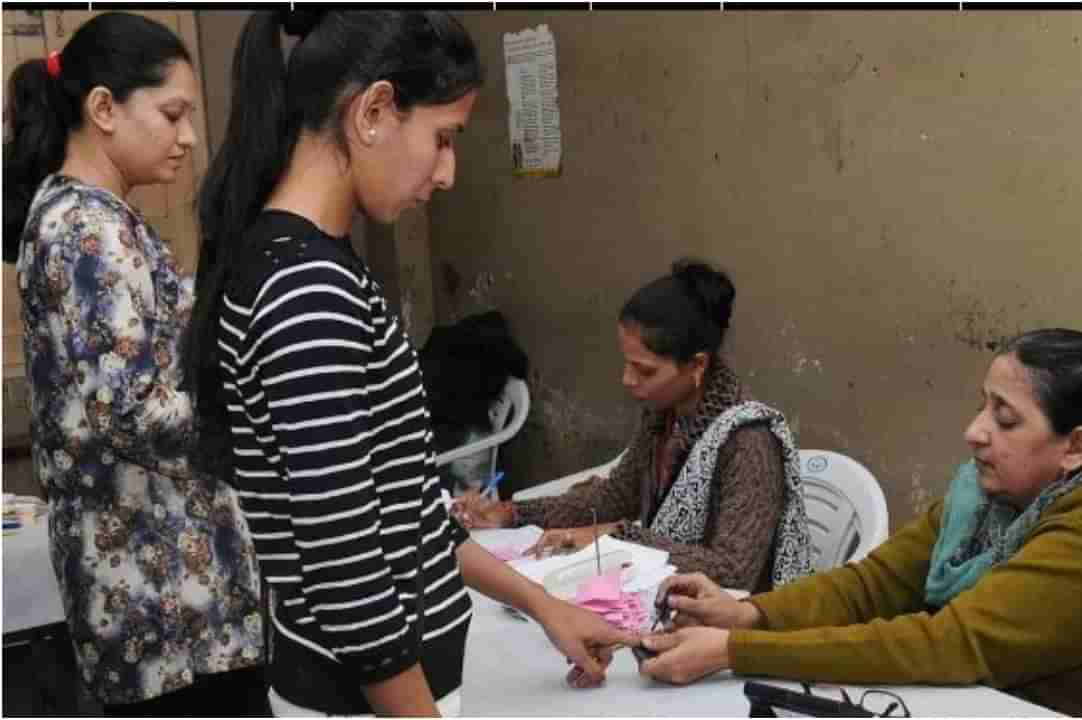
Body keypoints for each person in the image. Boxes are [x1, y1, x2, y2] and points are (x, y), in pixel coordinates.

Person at [183, 11, 631, 716]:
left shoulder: (309, 268)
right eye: (443, 139)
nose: (447, 173)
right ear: (374, 111)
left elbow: (407, 511)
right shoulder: (308, 291)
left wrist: (543, 604)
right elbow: (347, 567)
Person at [636, 329, 1082, 718]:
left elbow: (952, 645)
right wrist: (748, 614)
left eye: (1005, 419)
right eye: (983, 404)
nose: (975, 431)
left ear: (1077, 447)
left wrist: (735, 652)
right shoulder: (983, 498)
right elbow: (874, 584)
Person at [3, 12, 267, 716]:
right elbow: (134, 414)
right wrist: (256, 406)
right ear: (103, 109)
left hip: (170, 595)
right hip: (166, 608)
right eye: (172, 113)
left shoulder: (90, 217)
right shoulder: (86, 231)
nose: (187, 136)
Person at [454, 259, 815, 593]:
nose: (627, 380)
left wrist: (616, 537)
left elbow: (733, 570)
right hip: (663, 594)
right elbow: (615, 497)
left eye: (645, 370)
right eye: (627, 363)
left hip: (725, 624)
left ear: (697, 364)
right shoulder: (664, 414)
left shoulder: (748, 440)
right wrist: (513, 513)